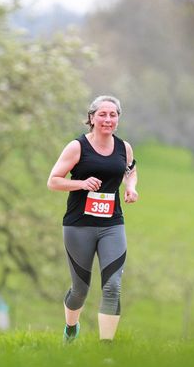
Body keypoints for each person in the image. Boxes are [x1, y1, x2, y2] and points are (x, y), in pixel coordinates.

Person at [47, 94, 138, 342]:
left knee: (112, 287)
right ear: (92, 118)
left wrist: (131, 187)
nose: (108, 119)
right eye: (102, 114)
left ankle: (105, 349)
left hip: (112, 225)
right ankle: (70, 329)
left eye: (113, 115)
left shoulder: (124, 147)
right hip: (79, 226)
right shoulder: (77, 147)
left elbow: (130, 170)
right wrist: (81, 183)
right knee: (80, 290)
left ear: (118, 119)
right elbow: (53, 181)